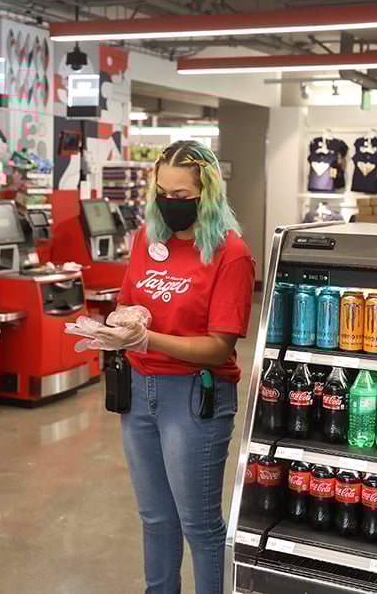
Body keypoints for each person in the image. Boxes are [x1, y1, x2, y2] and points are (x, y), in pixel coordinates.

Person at [68, 141, 256, 594]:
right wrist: (123, 323)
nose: (169, 204)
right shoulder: (146, 240)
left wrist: (147, 337)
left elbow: (218, 348)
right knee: (155, 518)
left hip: (194, 398)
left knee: (199, 525)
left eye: (181, 196)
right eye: (162, 194)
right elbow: (129, 300)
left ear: (207, 194)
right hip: (137, 391)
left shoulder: (231, 254)